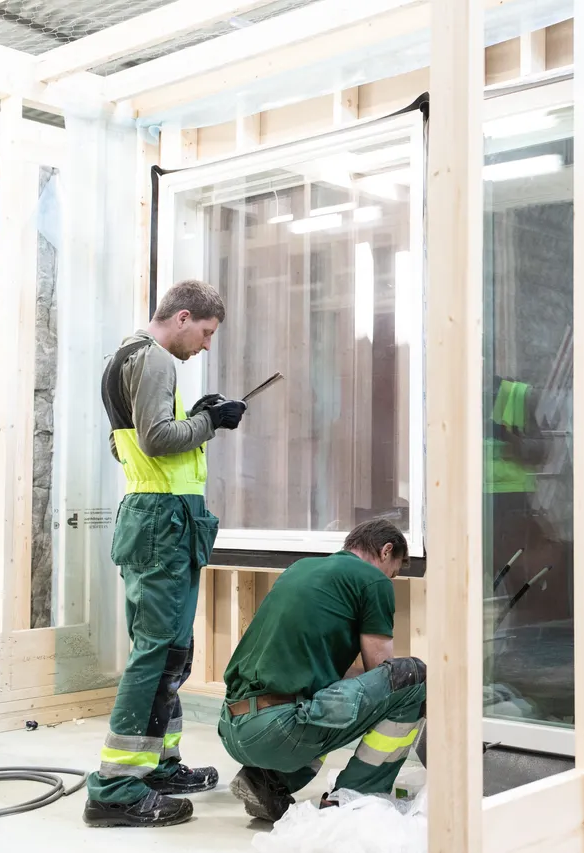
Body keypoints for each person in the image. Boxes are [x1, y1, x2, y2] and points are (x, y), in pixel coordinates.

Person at [82, 279, 249, 828]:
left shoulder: (121, 358)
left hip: (154, 517)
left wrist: (195, 418)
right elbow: (155, 440)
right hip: (163, 521)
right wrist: (210, 423)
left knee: (171, 647)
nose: (205, 345)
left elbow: (124, 444)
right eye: (205, 333)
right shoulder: (155, 359)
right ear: (182, 317)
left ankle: (157, 763)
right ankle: (116, 786)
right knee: (158, 650)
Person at [219, 519, 427, 823]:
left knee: (328, 697)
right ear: (386, 551)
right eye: (393, 572)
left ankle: (268, 781)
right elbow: (385, 673)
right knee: (412, 677)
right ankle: (355, 795)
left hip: (233, 727)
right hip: (278, 729)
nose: (389, 580)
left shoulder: (300, 568)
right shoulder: (373, 580)